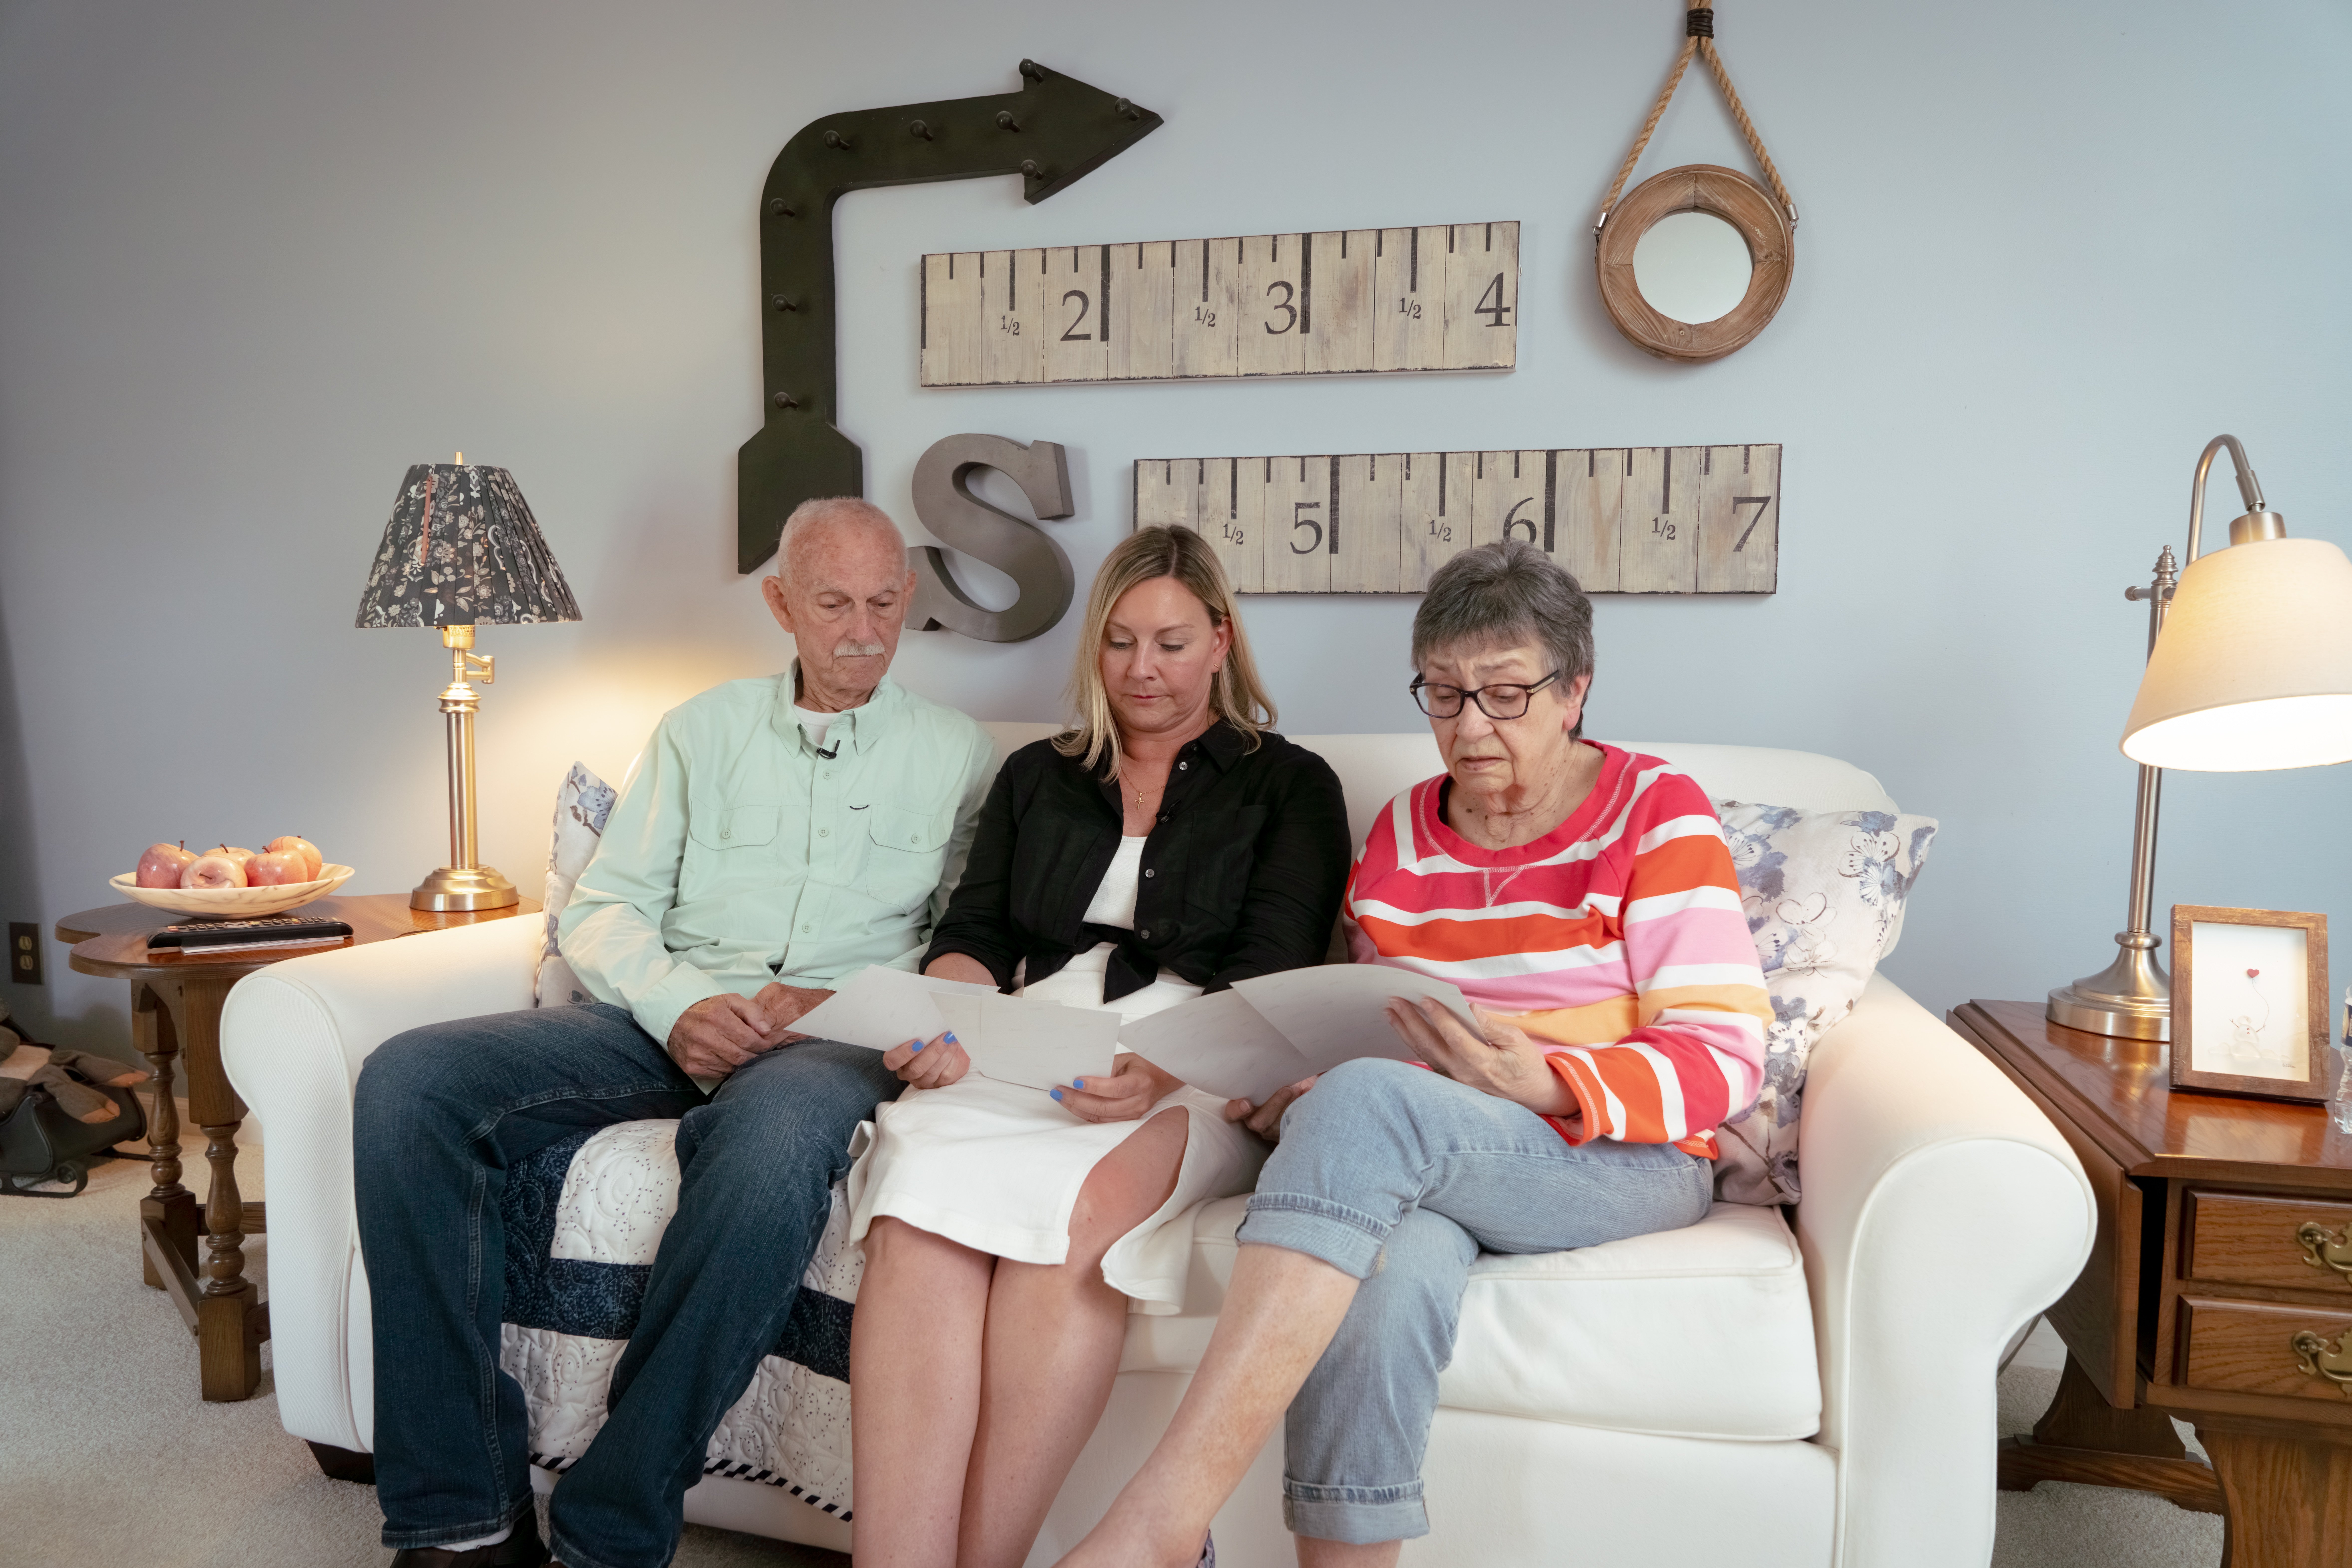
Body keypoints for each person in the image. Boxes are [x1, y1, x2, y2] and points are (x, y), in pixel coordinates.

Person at [1053, 540, 1773, 1568]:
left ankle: (1158, 1521)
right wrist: (1294, 1082)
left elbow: (1724, 1051)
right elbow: (1366, 1021)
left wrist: (1550, 1079)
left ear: (1576, 690)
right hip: (1441, 1149)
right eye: (1443, 695)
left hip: (1624, 1151)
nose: (1470, 727)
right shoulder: (1400, 834)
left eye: (1506, 693)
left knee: (1365, 1109)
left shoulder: (1655, 811)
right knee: (1384, 1268)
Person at [351, 498, 995, 1568]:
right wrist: (680, 1005)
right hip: (661, 1018)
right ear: (780, 602)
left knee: (772, 1154)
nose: (864, 630)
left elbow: (959, 943)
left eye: (886, 602)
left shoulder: (959, 754)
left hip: (824, 1047)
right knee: (408, 1082)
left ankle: (613, 1524)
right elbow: (607, 906)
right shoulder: (701, 729)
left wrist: (840, 1008)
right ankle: (459, 1519)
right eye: (834, 603)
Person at [847, 525, 1351, 1568]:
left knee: (1071, 1215)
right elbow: (976, 932)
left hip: (1203, 1059)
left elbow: (1271, 977)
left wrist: (1162, 1066)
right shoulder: (1040, 772)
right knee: (913, 1191)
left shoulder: (1289, 783)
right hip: (1028, 1039)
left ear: (1220, 641)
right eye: (1120, 643)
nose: (1141, 670)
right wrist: (948, 1020)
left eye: (1170, 643)